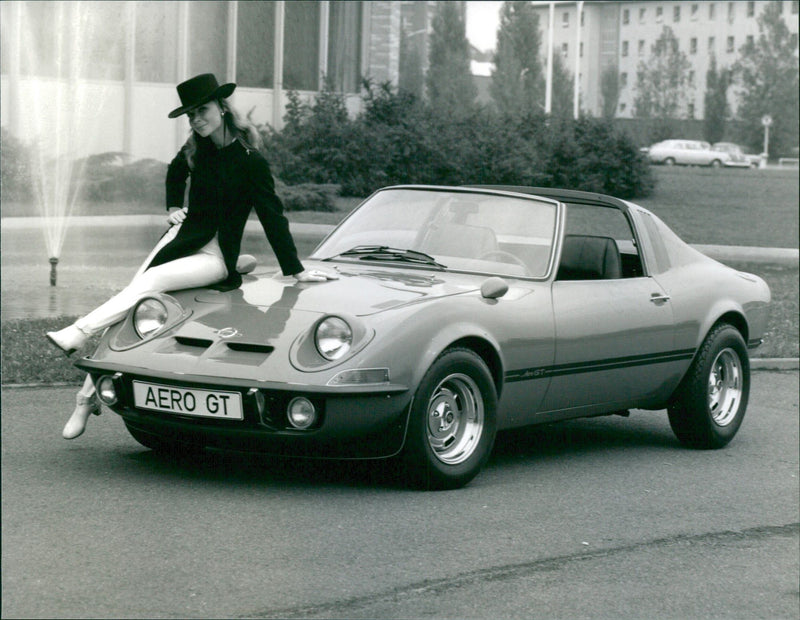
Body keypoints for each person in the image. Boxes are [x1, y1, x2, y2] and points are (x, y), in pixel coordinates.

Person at [46, 73, 337, 439]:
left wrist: (295, 271)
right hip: (180, 242)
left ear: (222, 109)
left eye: (202, 111)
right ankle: (85, 400)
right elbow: (174, 172)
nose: (196, 119)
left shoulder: (250, 161)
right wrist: (172, 207)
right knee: (132, 302)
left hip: (215, 257)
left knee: (147, 285)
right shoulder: (196, 150)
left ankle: (78, 332)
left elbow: (272, 216)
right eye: (191, 115)